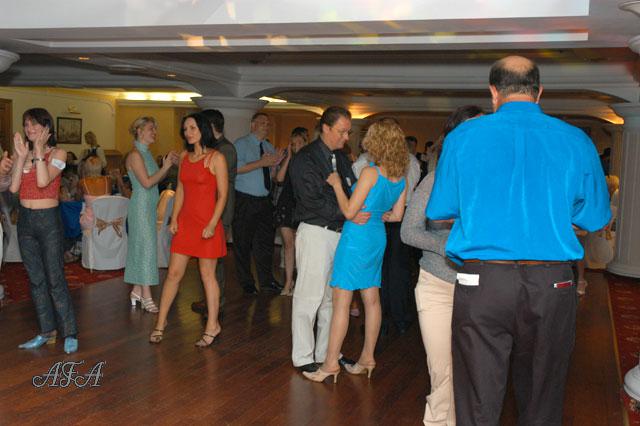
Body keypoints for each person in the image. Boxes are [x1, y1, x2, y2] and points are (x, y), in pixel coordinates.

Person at [426, 56, 611, 425]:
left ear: (493, 92)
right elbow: (594, 217)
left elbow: (440, 209)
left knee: (477, 398)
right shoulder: (575, 139)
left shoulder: (464, 136)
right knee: (543, 395)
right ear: (539, 92)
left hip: (482, 281)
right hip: (551, 282)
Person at [302, 118, 408, 383]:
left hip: (356, 239)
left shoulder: (371, 173)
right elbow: (397, 216)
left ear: (377, 142)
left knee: (341, 302)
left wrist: (337, 184)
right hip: (376, 237)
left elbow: (349, 212)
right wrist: (379, 215)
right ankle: (367, 359)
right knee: (371, 300)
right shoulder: (401, 177)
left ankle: (330, 364)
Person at [401, 105, 483, 426]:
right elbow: (408, 231)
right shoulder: (435, 181)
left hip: (481, 289)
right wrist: (446, 245)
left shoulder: (492, 184)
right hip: (436, 285)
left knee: (474, 370)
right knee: (442, 370)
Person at [289, 106, 369, 373]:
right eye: (342, 132)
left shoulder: (341, 158)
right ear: (325, 128)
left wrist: (355, 209)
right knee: (308, 296)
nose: (346, 137)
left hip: (339, 233)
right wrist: (349, 213)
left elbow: (350, 189)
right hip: (315, 232)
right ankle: (303, 356)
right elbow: (311, 201)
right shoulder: (305, 158)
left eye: (348, 132)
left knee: (331, 299)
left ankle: (326, 353)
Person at [150, 113, 228, 347]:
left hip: (207, 224)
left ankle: (212, 325)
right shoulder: (184, 156)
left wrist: (212, 224)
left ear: (203, 129)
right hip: (186, 223)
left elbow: (223, 195)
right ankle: (160, 323)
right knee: (173, 274)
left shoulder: (216, 158)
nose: (188, 133)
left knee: (207, 276)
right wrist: (174, 218)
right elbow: (181, 189)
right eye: (185, 129)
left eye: (192, 128)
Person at [10, 108, 78, 354]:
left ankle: (69, 332)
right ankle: (46, 331)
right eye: (26, 124)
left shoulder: (59, 153)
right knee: (36, 280)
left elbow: (42, 181)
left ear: (46, 128)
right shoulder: (24, 153)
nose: (29, 129)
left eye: (34, 124)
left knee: (55, 278)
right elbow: (14, 188)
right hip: (25, 221)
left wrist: (38, 153)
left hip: (48, 220)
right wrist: (21, 157)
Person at [124, 117, 178, 312]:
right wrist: (165, 166)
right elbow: (147, 183)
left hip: (148, 206)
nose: (154, 132)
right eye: (150, 129)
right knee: (146, 249)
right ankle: (146, 295)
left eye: (155, 129)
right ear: (139, 131)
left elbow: (156, 180)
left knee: (143, 248)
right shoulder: (135, 155)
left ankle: (137, 291)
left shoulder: (146, 153)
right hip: (140, 207)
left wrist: (166, 165)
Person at [191, 108, 237, 316]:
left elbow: (219, 185)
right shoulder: (211, 148)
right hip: (207, 210)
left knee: (214, 258)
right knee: (207, 257)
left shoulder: (224, 150)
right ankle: (210, 299)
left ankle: (216, 301)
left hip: (220, 210)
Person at [232, 112, 284, 295]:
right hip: (245, 199)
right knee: (243, 243)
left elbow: (271, 176)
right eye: (262, 123)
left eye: (268, 124)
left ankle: (266, 281)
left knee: (265, 243)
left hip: (264, 200)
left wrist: (274, 164)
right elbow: (235, 169)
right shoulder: (241, 144)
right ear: (252, 125)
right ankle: (247, 282)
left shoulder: (268, 146)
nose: (266, 126)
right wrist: (261, 163)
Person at [380, 133, 421, 335]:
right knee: (393, 268)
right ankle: (394, 317)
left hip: (394, 216)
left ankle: (393, 316)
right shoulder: (408, 160)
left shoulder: (406, 161)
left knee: (393, 269)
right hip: (392, 216)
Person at [273, 127, 309, 296]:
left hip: (302, 206)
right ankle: (288, 282)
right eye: (293, 144)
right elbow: (279, 179)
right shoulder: (289, 161)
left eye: (299, 143)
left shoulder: (310, 162)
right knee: (288, 244)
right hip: (286, 204)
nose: (296, 147)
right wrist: (288, 157)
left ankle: (300, 282)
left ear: (306, 143)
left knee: (300, 246)